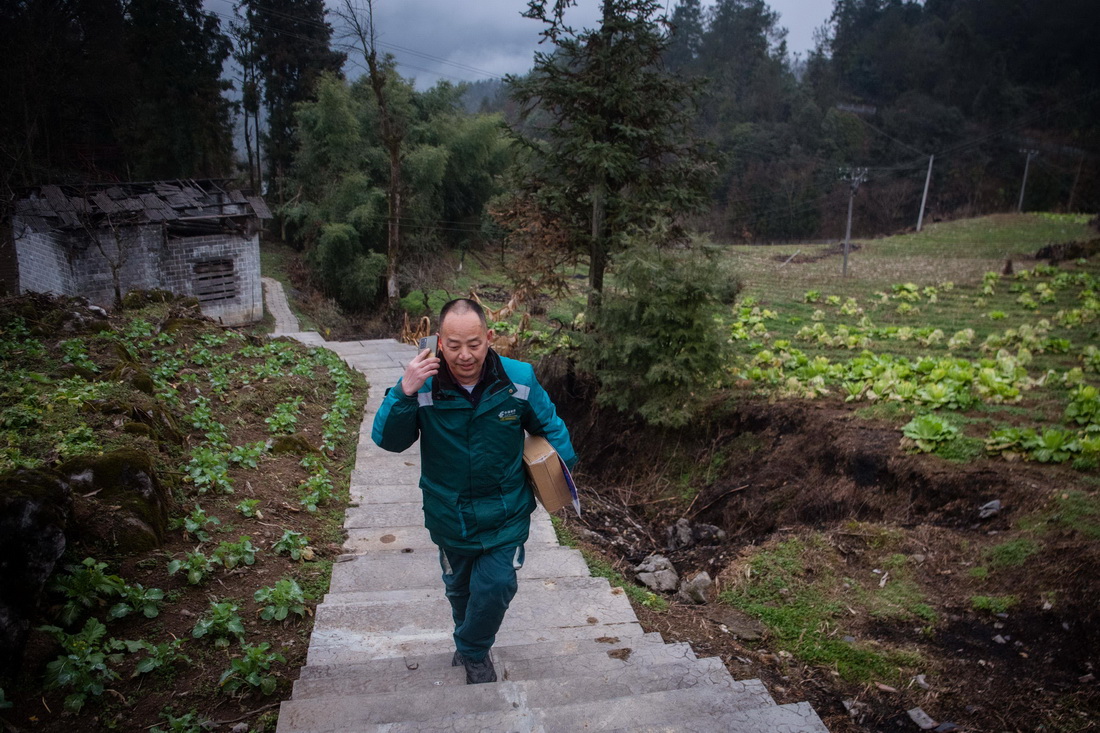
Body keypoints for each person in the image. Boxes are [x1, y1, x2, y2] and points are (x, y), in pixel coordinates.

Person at [371, 298, 576, 684]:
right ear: (438, 341)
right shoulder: (423, 381)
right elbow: (388, 440)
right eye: (453, 345)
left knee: (496, 585)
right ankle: (472, 641)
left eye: (474, 344)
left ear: (489, 338)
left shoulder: (519, 379)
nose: (464, 355)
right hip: (449, 513)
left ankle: (472, 650)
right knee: (460, 588)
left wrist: (561, 475)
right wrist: (404, 391)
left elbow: (550, 427)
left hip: (506, 510)